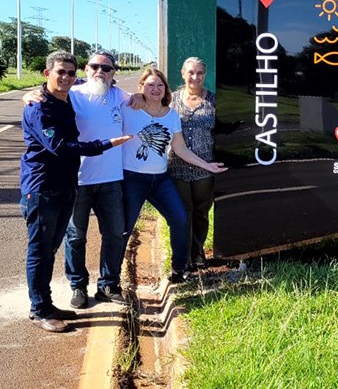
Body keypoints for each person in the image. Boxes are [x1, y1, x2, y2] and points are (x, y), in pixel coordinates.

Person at [20, 51, 131, 332]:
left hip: (65, 186)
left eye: (70, 73)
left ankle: (47, 304)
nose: (66, 78)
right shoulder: (40, 107)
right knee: (42, 251)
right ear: (47, 74)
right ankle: (39, 309)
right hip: (42, 188)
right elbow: (60, 147)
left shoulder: (66, 98)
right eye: (61, 72)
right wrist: (105, 144)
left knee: (51, 249)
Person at [119, 68, 227, 283]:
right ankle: (110, 281)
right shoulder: (128, 108)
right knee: (124, 228)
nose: (155, 89)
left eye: (160, 85)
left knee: (179, 219)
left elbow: (180, 148)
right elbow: (98, 90)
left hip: (160, 179)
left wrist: (207, 165)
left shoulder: (171, 115)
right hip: (133, 179)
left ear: (165, 89)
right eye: (150, 85)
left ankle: (179, 270)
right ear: (141, 87)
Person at [168, 57, 217, 270]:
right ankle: (182, 255)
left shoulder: (213, 101)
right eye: (191, 72)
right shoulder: (171, 100)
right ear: (183, 73)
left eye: (199, 73)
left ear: (204, 75)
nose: (195, 77)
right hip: (177, 166)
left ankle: (197, 253)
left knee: (201, 212)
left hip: (205, 167)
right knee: (182, 213)